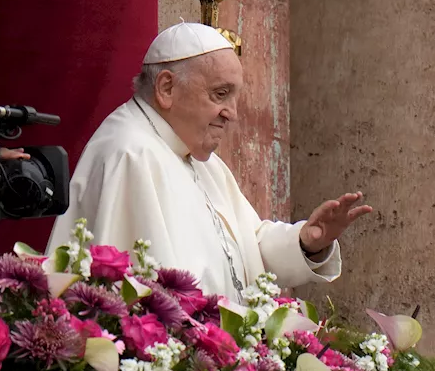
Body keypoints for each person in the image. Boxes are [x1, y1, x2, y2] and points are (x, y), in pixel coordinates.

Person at [48, 22, 372, 300]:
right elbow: (141, 300)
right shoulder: (129, 154)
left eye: (234, 97)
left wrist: (306, 241)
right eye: (220, 94)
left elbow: (249, 246)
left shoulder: (201, 158)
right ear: (166, 87)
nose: (232, 113)